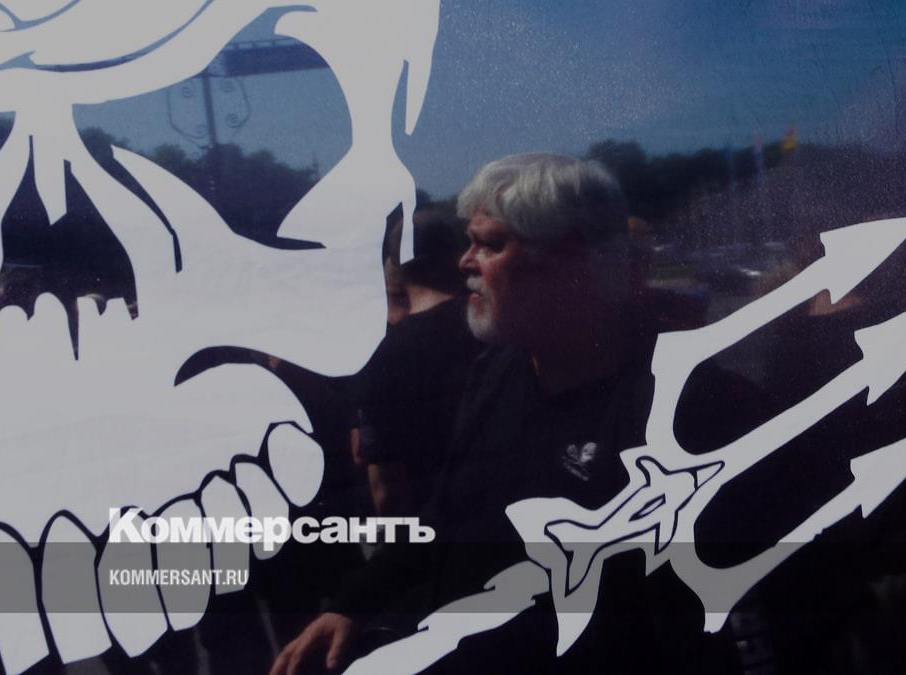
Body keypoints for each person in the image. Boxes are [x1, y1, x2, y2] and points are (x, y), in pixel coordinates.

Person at [271, 154, 732, 675]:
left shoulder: (681, 401)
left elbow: (711, 614)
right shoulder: (498, 370)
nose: (464, 262)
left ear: (569, 259)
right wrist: (352, 603)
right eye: (469, 242)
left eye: (489, 245)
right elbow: (447, 516)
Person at [354, 210, 482, 516]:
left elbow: (385, 492)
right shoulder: (496, 330)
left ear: (396, 266)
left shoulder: (382, 356)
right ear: (456, 256)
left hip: (433, 525)